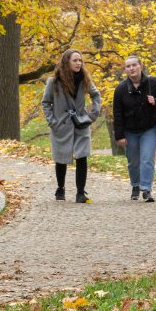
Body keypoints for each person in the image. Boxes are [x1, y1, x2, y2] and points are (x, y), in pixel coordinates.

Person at [42, 49, 101, 203]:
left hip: (81, 123)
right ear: (66, 62)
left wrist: (92, 115)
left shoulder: (85, 79)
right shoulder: (54, 81)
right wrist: (53, 122)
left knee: (82, 156)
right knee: (61, 157)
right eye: (75, 60)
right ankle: (60, 188)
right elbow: (46, 103)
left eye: (80, 60)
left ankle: (80, 193)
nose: (78, 63)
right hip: (61, 124)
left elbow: (96, 95)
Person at [113, 55, 156, 202]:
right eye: (128, 66)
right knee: (133, 161)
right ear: (125, 70)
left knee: (147, 159)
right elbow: (117, 114)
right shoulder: (121, 89)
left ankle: (146, 189)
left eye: (134, 65)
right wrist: (119, 136)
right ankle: (135, 185)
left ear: (140, 66)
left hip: (150, 128)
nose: (131, 68)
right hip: (130, 131)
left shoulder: (153, 82)